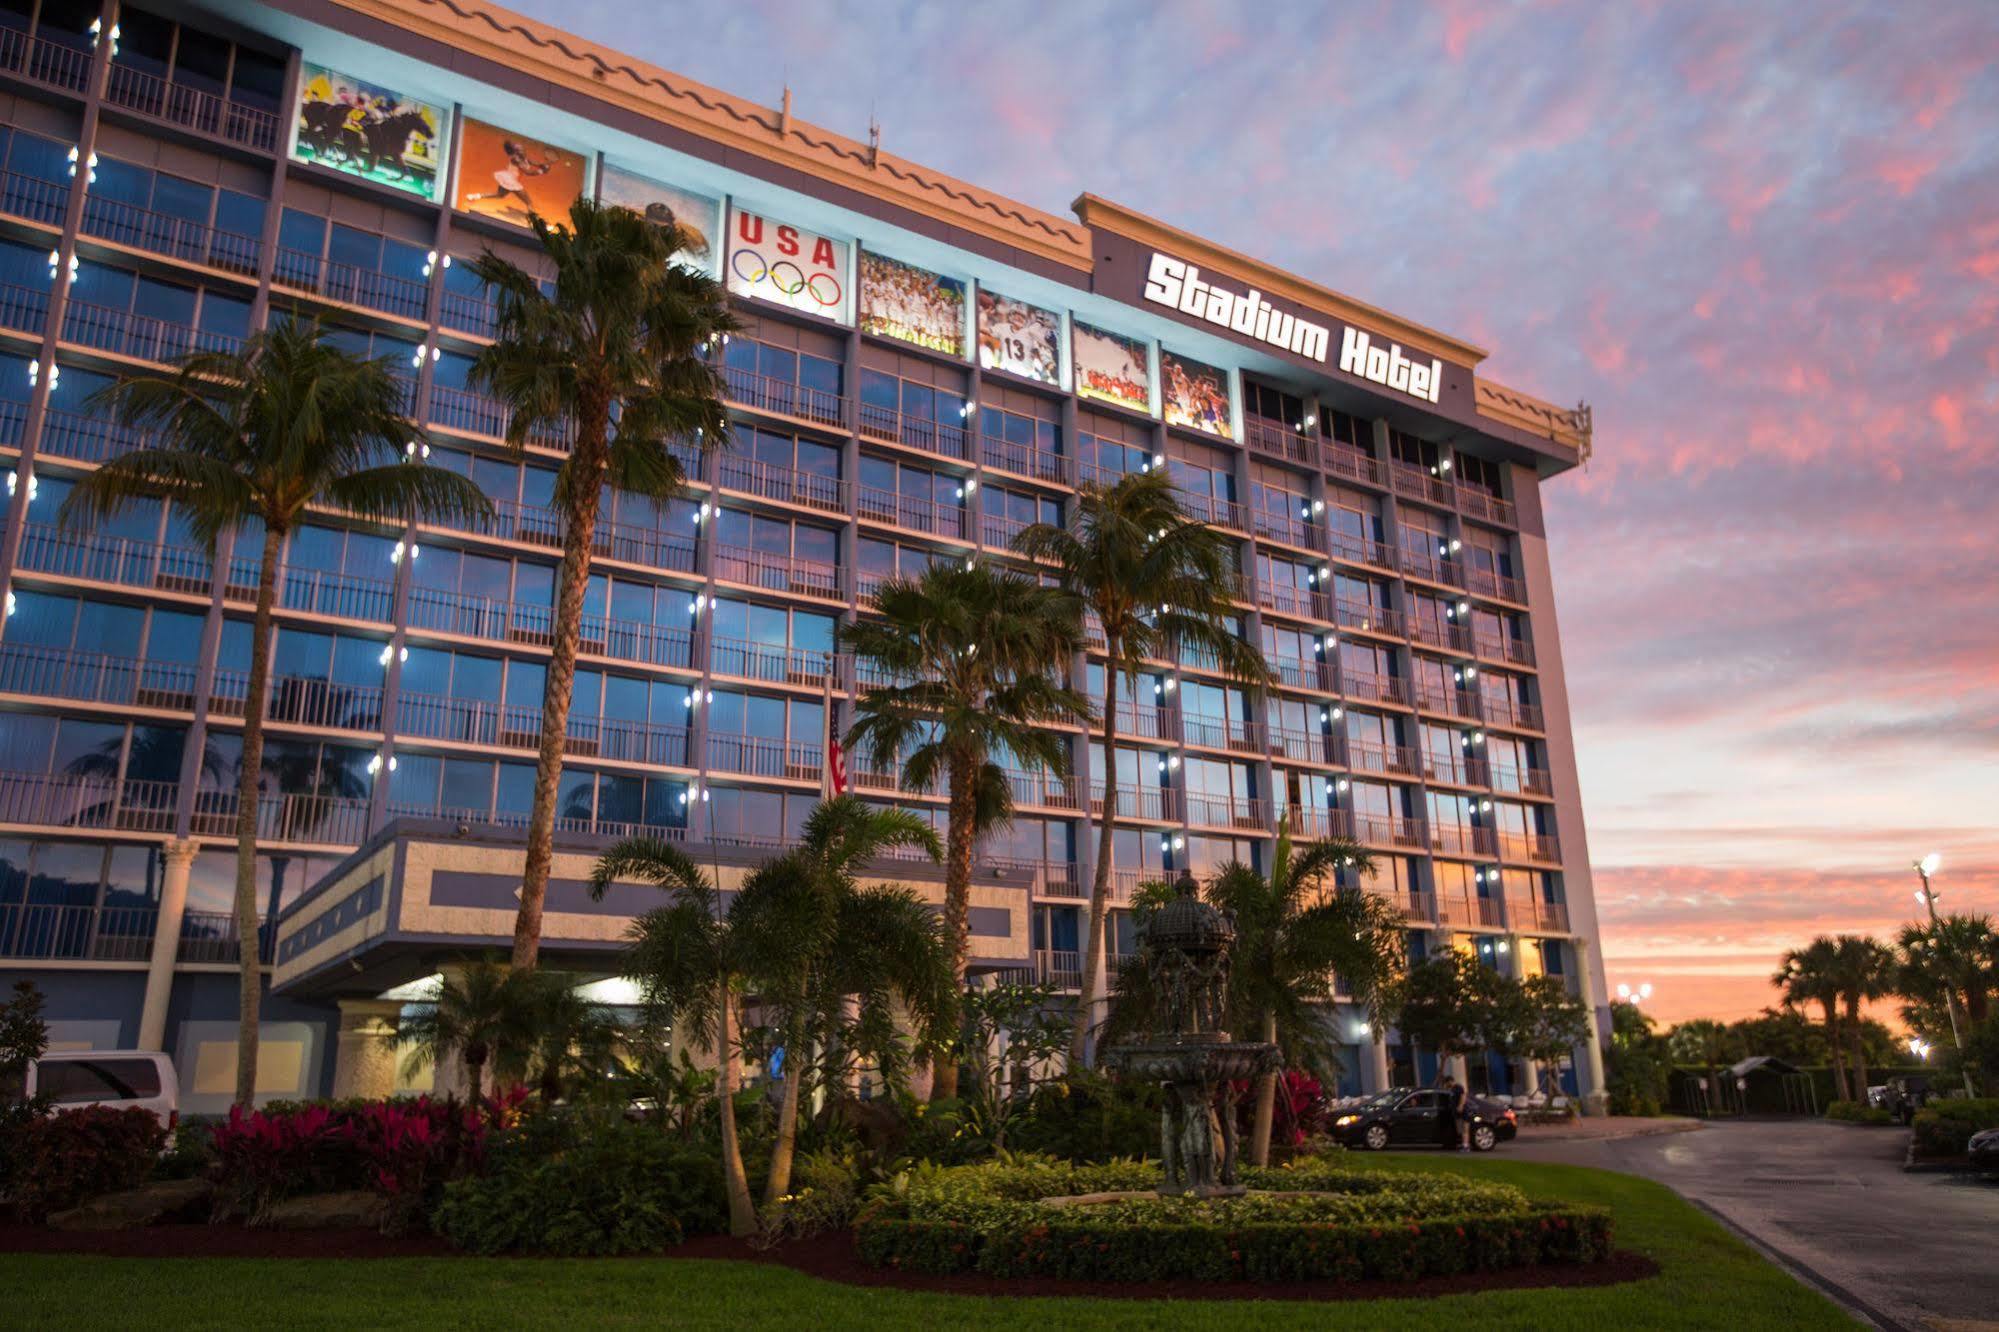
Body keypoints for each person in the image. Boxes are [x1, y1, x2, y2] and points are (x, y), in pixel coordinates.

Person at [1448, 1075, 1471, 1151]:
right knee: (1460, 1130)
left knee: (1465, 1129)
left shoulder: (1458, 1087)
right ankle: (1463, 1144)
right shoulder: (1451, 1089)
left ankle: (1466, 1146)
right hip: (1457, 1113)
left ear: (1450, 1081)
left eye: (1448, 1083)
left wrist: (1460, 1106)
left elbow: (1463, 1096)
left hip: (1463, 1111)